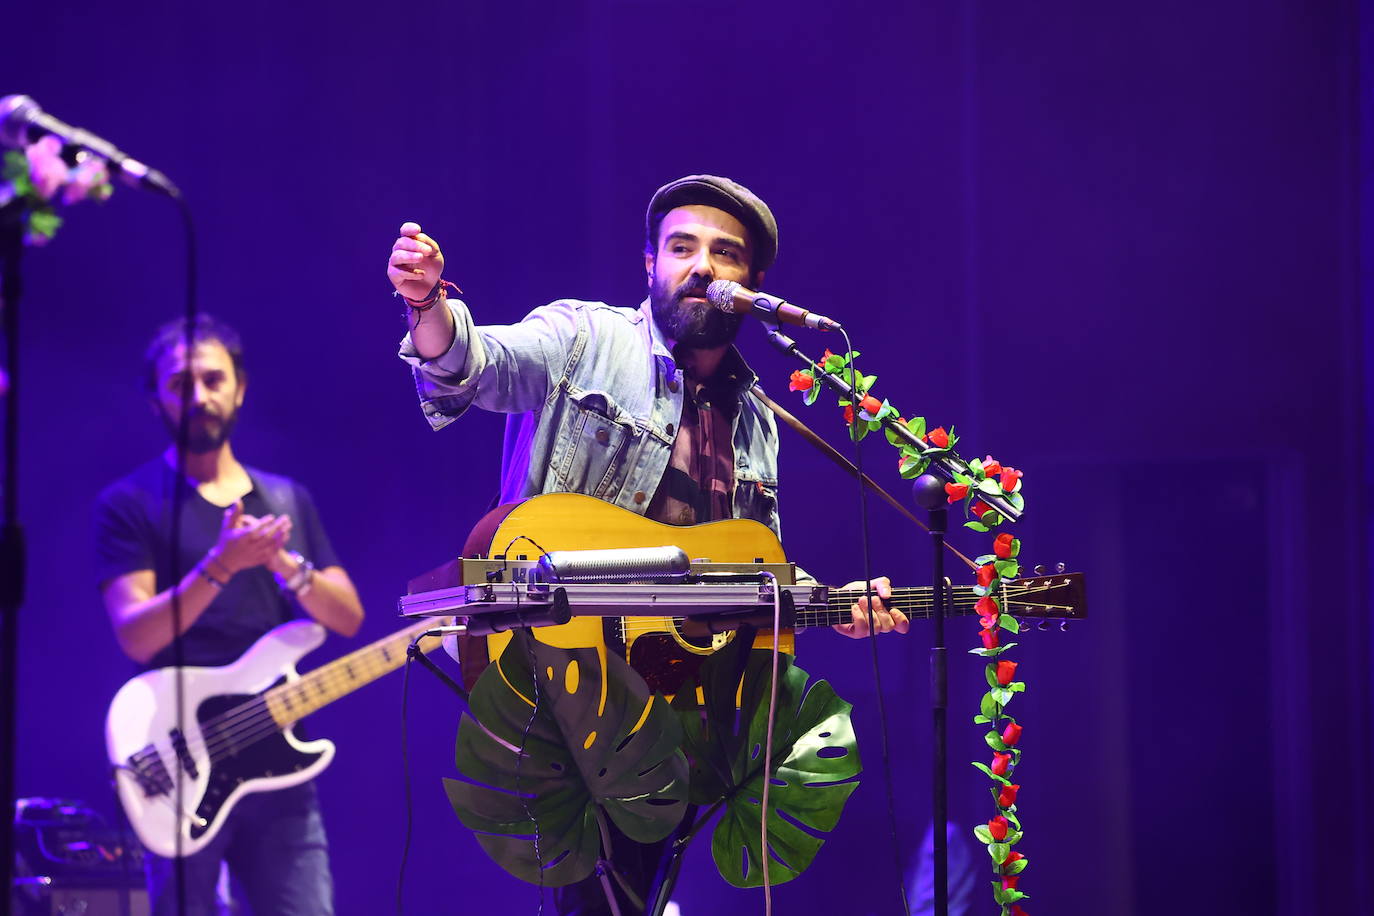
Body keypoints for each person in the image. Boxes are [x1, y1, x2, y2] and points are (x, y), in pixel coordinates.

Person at [388, 175, 909, 913]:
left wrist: (830, 602)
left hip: (672, 704)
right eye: (680, 247)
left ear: (753, 284)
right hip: (563, 677)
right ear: (650, 264)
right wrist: (427, 304)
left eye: (724, 253)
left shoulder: (758, 420)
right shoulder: (585, 340)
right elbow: (474, 365)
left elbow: (752, 569)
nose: (701, 265)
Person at [94, 314, 365, 915]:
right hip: (178, 754)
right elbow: (136, 636)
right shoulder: (130, 505)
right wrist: (219, 564)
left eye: (214, 380)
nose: (200, 397)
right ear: (155, 398)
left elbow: (347, 618)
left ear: (239, 387)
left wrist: (286, 566)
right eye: (181, 384)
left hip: (278, 767)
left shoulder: (286, 500)